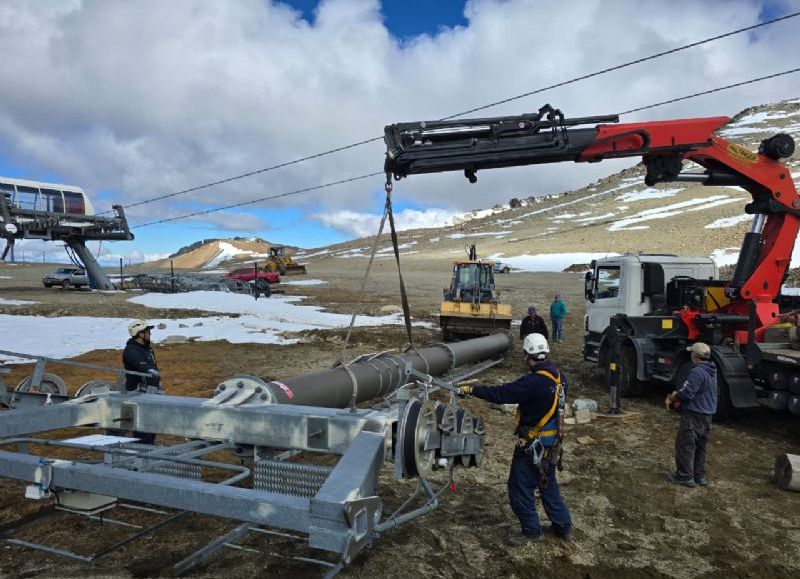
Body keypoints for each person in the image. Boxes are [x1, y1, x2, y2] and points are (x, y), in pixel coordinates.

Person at [460, 333, 572, 545]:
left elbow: (503, 393)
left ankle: (531, 531)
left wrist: (473, 390)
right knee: (547, 484)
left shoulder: (533, 382)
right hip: (552, 444)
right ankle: (563, 526)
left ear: (527, 356)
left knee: (520, 487)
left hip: (532, 445)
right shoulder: (560, 378)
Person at [665, 342, 717, 488]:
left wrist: (674, 396)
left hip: (694, 414)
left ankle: (684, 476)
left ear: (695, 355)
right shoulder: (711, 370)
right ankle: (699, 476)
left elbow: (687, 394)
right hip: (707, 414)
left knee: (685, 445)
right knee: (701, 446)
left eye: (692, 352)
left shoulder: (696, 372)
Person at [122, 320, 162, 444]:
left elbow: (152, 368)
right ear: (139, 334)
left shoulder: (147, 349)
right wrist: (149, 370)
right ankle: (142, 450)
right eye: (147, 332)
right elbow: (141, 366)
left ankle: (149, 449)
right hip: (138, 394)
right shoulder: (132, 350)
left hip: (150, 392)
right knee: (142, 429)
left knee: (152, 426)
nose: (150, 334)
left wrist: (157, 383)